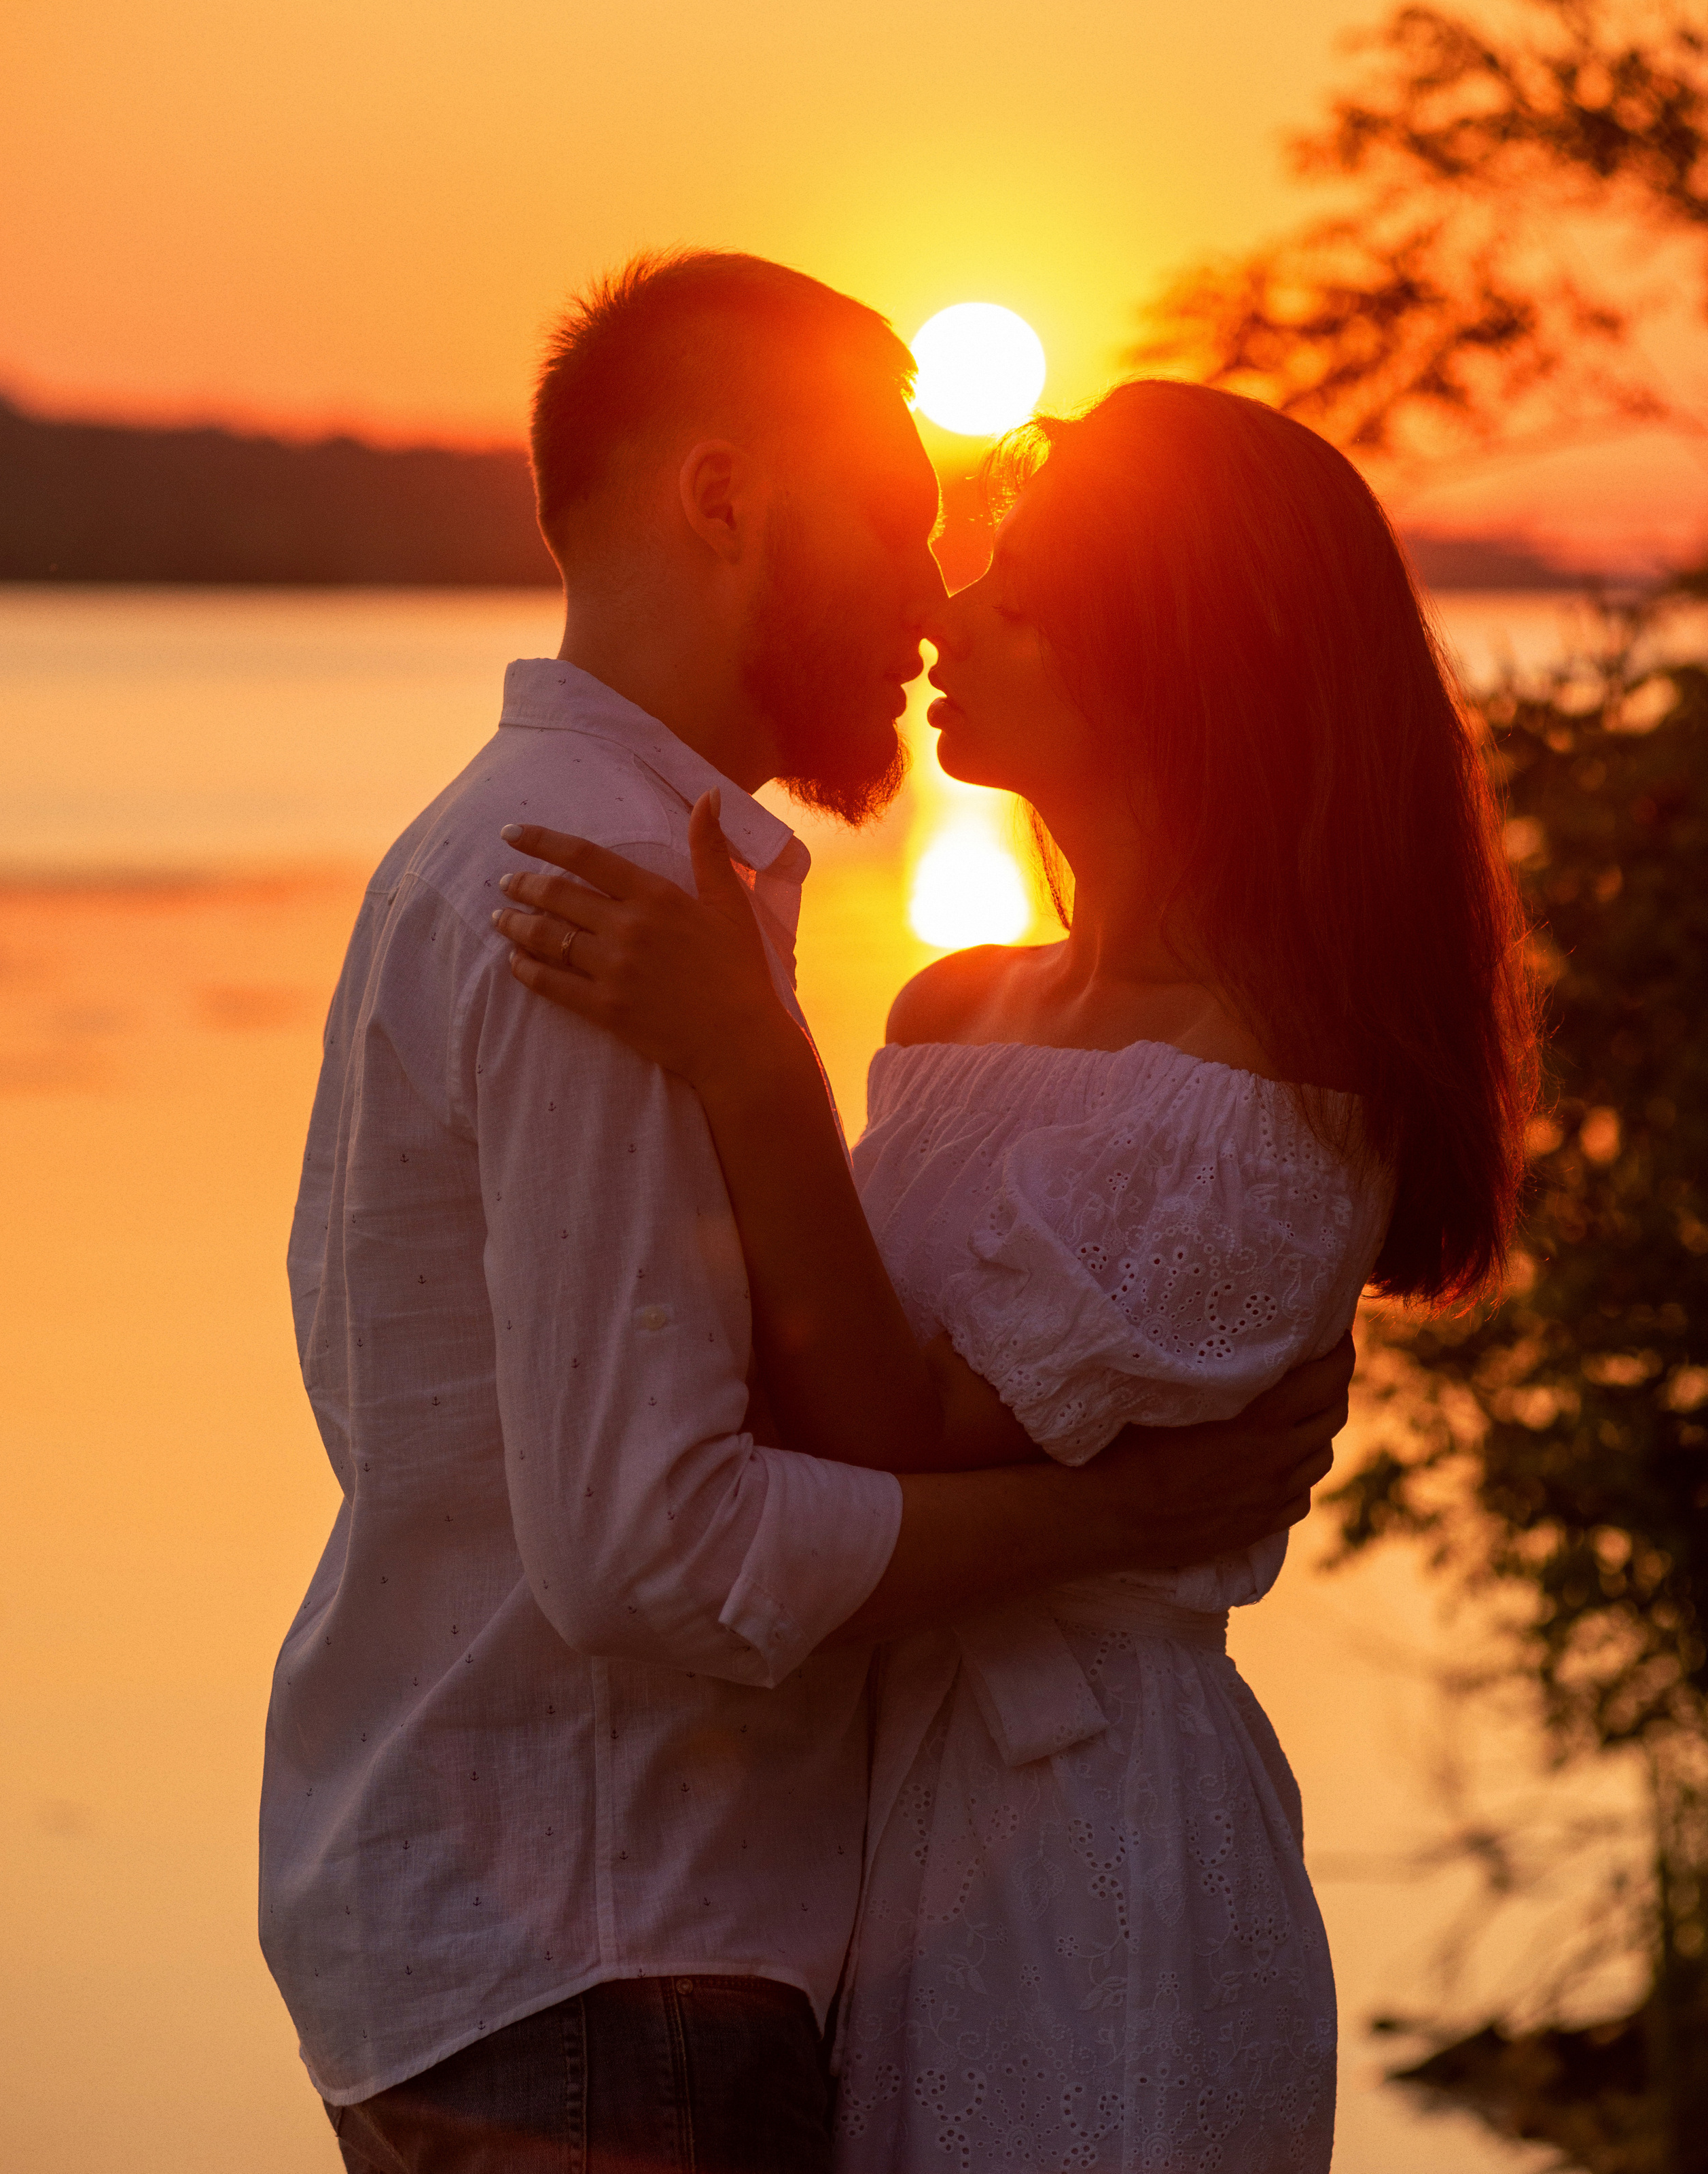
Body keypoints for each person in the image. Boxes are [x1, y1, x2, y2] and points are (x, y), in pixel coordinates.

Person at [260, 252, 1353, 2174]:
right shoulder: (597, 897)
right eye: (904, 528)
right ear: (725, 499)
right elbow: (654, 1552)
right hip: (610, 1948)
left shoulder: (562, 868)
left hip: (614, 1941)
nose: (932, 604)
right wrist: (1103, 1522)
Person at [493, 378, 1538, 2171]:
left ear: (1176, 663)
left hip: (1088, 1846)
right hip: (885, 1817)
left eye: (1026, 591)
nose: (948, 612)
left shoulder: (1263, 1095)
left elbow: (891, 1423)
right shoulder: (959, 1006)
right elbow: (793, 1378)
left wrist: (749, 1058)